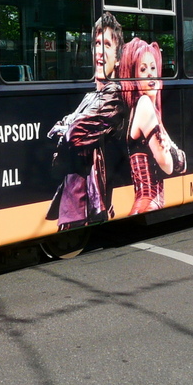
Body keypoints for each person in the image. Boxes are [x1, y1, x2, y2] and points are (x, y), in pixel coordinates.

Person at [46, 12, 126, 230]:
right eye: (97, 44)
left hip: (85, 206)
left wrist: (68, 128)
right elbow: (56, 129)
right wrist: (67, 127)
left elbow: (72, 134)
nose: (100, 52)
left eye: (107, 45)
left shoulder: (115, 98)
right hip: (70, 204)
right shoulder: (90, 97)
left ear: (118, 57)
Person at [119, 38, 186, 215]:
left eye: (153, 67)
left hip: (147, 204)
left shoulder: (147, 110)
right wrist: (175, 153)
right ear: (132, 76)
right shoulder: (143, 105)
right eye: (142, 69)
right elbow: (169, 165)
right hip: (148, 203)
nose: (150, 75)